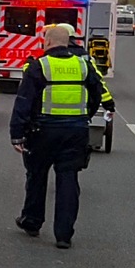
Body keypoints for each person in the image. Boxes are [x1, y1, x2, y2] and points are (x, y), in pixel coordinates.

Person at [10, 24, 113, 249]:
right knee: (68, 179)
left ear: (47, 42)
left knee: (36, 176)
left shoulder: (39, 66)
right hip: (75, 131)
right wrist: (84, 115)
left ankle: (32, 222)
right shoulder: (83, 65)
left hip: (42, 131)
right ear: (68, 42)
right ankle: (64, 235)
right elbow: (96, 95)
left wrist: (17, 135)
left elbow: (24, 102)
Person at [59, 23, 115, 111]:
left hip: (48, 116)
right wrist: (108, 103)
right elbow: (97, 81)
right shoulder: (83, 56)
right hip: (78, 113)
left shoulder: (46, 58)